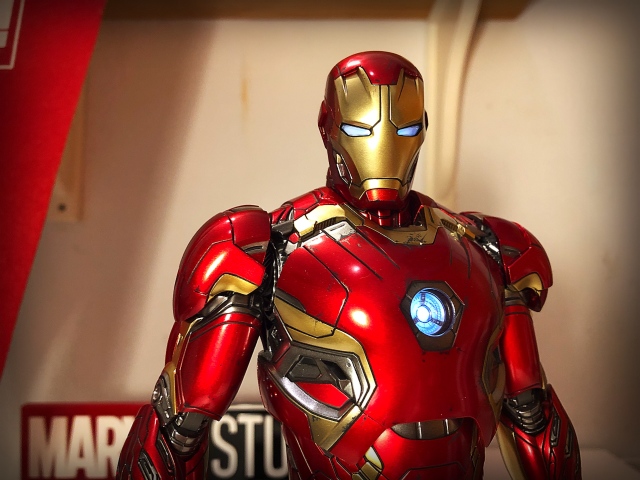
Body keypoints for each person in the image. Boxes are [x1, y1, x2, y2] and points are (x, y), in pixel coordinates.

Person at [117, 51, 581, 479]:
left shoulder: (485, 247)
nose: (383, 147)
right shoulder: (265, 245)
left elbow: (531, 412)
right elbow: (180, 425)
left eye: (404, 130)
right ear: (328, 126)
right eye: (360, 129)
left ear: (423, 127)